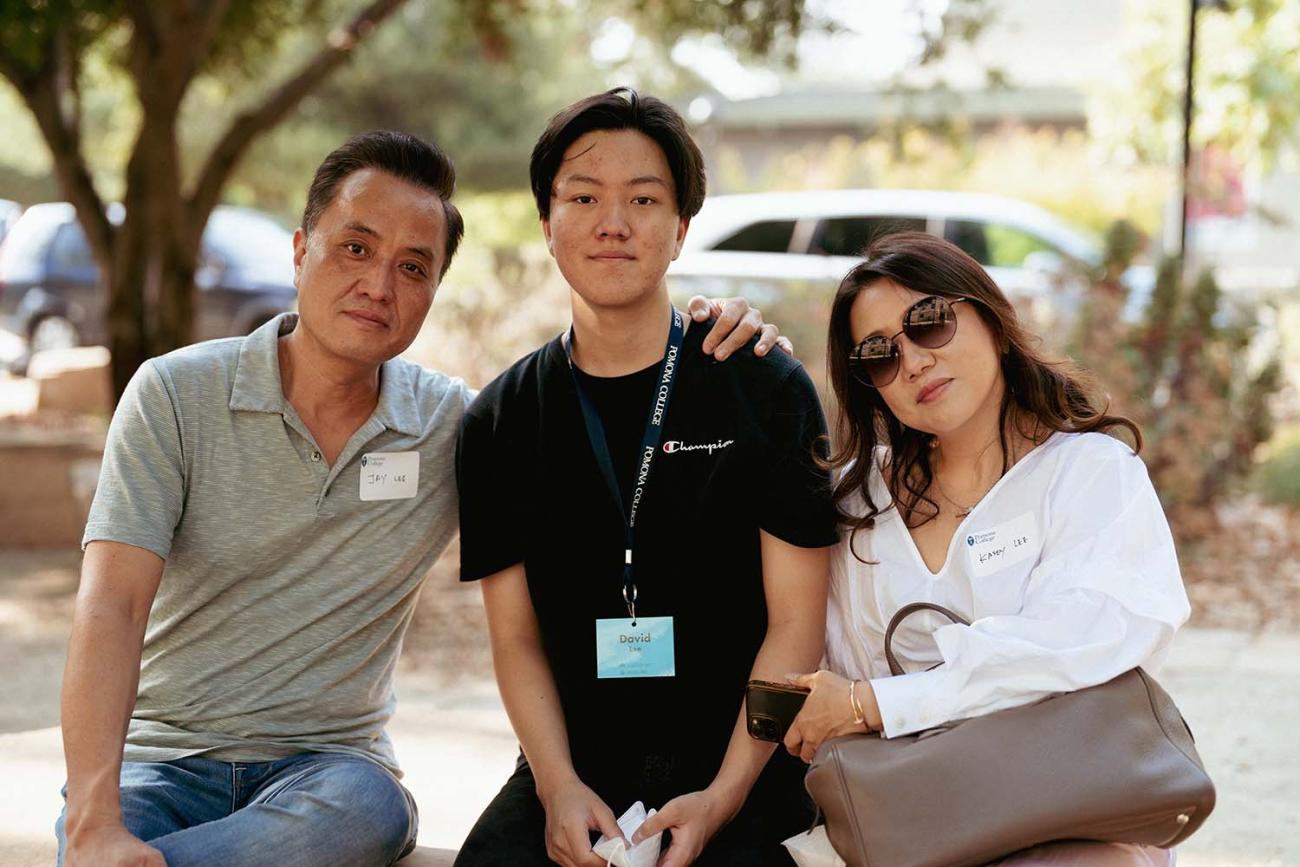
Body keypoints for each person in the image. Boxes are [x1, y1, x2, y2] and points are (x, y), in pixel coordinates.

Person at [56, 129, 781, 867]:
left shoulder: (457, 427)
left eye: (413, 266)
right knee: (109, 839)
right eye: (356, 248)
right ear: (301, 250)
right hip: (164, 760)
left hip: (331, 773)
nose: (379, 285)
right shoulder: (175, 394)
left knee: (361, 813)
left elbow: (611, 440)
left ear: (434, 290)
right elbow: (109, 605)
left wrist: (724, 336)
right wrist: (93, 816)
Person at [454, 88, 838, 867]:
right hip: (573, 766)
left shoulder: (762, 384)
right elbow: (516, 638)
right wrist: (558, 784)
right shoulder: (502, 418)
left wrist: (725, 794)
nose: (613, 222)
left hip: (744, 763)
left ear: (681, 229)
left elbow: (796, 625)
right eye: (584, 197)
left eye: (644, 199)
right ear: (546, 222)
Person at [785, 231, 1190, 866]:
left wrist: (878, 704)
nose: (913, 360)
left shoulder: (1088, 474)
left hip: (1067, 817)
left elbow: (1074, 645)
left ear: (992, 318)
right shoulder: (855, 501)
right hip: (906, 816)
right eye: (879, 354)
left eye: (929, 322)